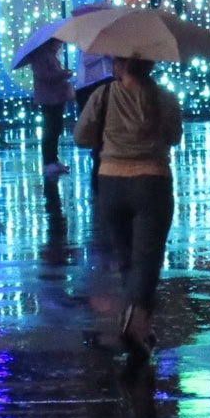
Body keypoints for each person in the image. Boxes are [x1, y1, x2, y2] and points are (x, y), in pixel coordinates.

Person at [76, 54, 185, 361]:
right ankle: (137, 319)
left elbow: (81, 136)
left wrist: (108, 136)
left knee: (126, 257)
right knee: (147, 258)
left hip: (111, 181)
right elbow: (175, 136)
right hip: (152, 182)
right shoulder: (163, 97)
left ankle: (139, 323)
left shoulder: (104, 94)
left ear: (119, 66)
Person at [22, 36, 73, 182]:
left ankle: (54, 159)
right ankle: (48, 162)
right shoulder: (41, 56)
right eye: (58, 43)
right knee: (50, 129)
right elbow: (44, 75)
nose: (60, 46)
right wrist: (63, 73)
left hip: (56, 95)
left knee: (56, 128)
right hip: (48, 97)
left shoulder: (49, 55)